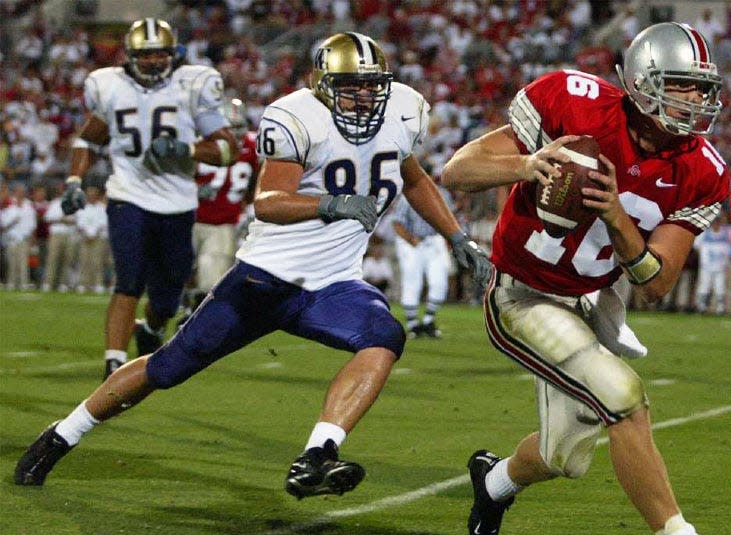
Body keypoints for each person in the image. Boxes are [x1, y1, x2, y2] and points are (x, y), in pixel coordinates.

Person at [14, 32, 490, 501]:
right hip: (263, 279)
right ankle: (61, 435)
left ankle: (318, 455)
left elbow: (412, 176)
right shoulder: (296, 117)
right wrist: (331, 204)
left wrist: (456, 236)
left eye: (373, 85)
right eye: (352, 86)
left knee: (385, 336)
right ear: (323, 84)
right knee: (166, 369)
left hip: (333, 283)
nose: (365, 96)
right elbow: (268, 202)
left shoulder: (402, 111)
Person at [441, 22, 731, 535]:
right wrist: (528, 164)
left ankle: (492, 484)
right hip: (523, 293)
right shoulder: (574, 103)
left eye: (702, 88)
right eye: (682, 86)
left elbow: (656, 283)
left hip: (596, 302)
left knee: (563, 454)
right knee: (622, 396)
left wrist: (617, 216)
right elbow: (456, 171)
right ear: (641, 84)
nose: (697, 101)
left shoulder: (703, 170)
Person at [56, 18, 238, 379]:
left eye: (160, 54)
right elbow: (88, 139)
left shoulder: (191, 87)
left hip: (178, 203)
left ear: (172, 55)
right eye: (146, 54)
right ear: (131, 56)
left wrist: (184, 148)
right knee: (129, 278)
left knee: (168, 296)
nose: (154, 61)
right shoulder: (111, 87)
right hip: (128, 196)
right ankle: (113, 363)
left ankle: (152, 328)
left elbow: (227, 149)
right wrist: (75, 180)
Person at [181, 97, 259, 318]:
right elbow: (176, 180)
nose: (235, 134)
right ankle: (170, 317)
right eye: (229, 128)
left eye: (239, 127)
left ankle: (191, 321)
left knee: (209, 283)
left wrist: (250, 211)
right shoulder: (200, 144)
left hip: (223, 224)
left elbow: (258, 184)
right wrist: (192, 190)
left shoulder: (254, 148)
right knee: (176, 277)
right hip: (187, 218)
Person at [392, 194, 451, 337]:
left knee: (439, 283)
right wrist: (410, 240)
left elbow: (448, 219)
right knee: (412, 283)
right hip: (413, 243)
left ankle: (428, 320)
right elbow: (397, 223)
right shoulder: (407, 198)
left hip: (434, 240)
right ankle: (412, 324)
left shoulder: (442, 194)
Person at [693, 214, 731, 314]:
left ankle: (720, 307)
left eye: (717, 222)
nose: (715, 224)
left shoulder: (725, 234)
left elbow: (730, 250)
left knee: (720, 286)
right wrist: (704, 259)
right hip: (707, 266)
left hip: (721, 266)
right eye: (714, 222)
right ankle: (702, 306)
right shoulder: (705, 234)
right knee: (704, 285)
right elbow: (696, 246)